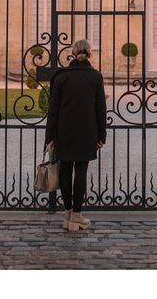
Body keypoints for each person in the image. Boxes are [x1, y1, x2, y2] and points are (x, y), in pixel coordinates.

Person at [44, 39, 107, 232]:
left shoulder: (61, 77)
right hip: (87, 131)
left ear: (73, 53)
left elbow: (52, 110)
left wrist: (49, 137)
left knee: (65, 170)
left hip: (64, 131)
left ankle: (68, 214)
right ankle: (77, 216)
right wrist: (101, 135)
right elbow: (100, 109)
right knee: (80, 171)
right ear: (89, 54)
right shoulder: (95, 77)